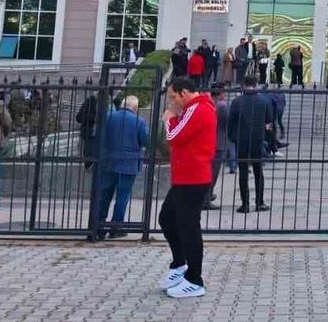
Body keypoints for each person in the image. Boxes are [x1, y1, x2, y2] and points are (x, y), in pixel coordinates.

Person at [159, 77, 217, 299]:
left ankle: (194, 279)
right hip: (185, 178)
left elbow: (173, 136)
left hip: (193, 178)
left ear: (184, 93)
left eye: (173, 97)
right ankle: (180, 265)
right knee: (167, 219)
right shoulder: (193, 109)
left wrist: (168, 119)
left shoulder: (197, 109)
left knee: (189, 228)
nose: (172, 102)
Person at [95, 95, 150, 238]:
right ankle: (116, 228)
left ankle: (98, 226)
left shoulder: (109, 117)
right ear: (135, 108)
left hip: (109, 161)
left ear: (122, 105)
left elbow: (100, 136)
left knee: (104, 195)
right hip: (129, 163)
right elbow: (146, 140)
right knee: (122, 196)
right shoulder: (139, 121)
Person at [227, 75, 273, 214]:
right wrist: (268, 139)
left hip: (242, 140)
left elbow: (231, 122)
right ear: (256, 84)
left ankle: (245, 204)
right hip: (257, 140)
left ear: (243, 85)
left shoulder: (236, 102)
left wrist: (233, 137)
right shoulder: (263, 101)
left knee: (243, 172)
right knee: (259, 171)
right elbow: (269, 122)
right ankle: (259, 202)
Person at [77, 91, 101, 171]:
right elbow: (79, 117)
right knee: (89, 153)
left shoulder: (109, 103)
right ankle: (89, 166)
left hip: (101, 134)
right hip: (90, 134)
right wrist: (94, 118)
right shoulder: (89, 102)